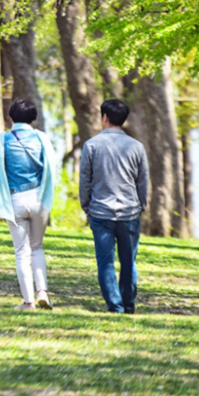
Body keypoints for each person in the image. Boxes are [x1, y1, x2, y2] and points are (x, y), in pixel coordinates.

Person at [78, 99, 149, 314]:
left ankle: (115, 305)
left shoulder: (91, 145)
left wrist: (86, 206)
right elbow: (143, 180)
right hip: (129, 213)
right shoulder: (137, 146)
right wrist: (141, 205)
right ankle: (128, 303)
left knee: (106, 262)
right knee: (129, 262)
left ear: (105, 117)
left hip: (101, 213)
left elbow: (85, 179)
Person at [0, 98, 60, 311]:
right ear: (33, 118)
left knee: (22, 251)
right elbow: (52, 166)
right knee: (37, 248)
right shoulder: (42, 138)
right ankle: (43, 293)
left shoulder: (2, 139)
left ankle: (28, 302)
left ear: (11, 117)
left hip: (15, 200)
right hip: (40, 199)